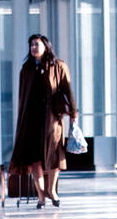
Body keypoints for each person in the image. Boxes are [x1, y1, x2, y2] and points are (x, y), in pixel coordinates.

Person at [8, 35, 78, 209]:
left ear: (46, 46)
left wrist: (73, 114)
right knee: (35, 160)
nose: (33, 47)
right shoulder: (26, 69)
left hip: (52, 119)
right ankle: (41, 196)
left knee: (53, 155)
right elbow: (22, 97)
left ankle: (51, 190)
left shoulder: (59, 66)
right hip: (31, 121)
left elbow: (67, 90)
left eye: (36, 44)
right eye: (31, 44)